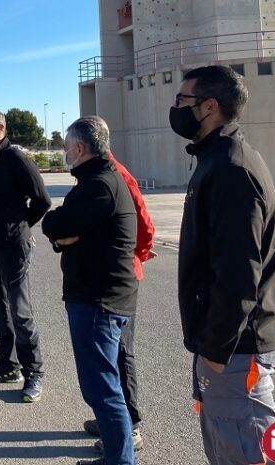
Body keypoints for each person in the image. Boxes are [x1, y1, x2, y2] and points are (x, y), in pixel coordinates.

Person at [171, 65, 275, 465]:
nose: (175, 109)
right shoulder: (214, 160)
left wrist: (217, 350)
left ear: (209, 106)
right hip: (223, 347)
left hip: (236, 350)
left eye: (182, 101)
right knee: (226, 449)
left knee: (244, 452)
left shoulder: (231, 169)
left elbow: (239, 274)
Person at [42, 116, 138, 465]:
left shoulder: (97, 185)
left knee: (103, 391)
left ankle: (120, 460)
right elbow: (62, 231)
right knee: (105, 388)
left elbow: (55, 223)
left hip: (99, 301)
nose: (65, 153)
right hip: (106, 297)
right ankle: (117, 456)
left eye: (66, 147)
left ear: (79, 148)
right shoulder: (103, 179)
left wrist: (64, 233)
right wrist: (65, 237)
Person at [84, 117, 156, 454]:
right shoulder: (100, 173)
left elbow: (144, 221)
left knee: (120, 352)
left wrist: (135, 255)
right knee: (107, 353)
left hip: (121, 277)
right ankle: (110, 418)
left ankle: (131, 426)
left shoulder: (116, 174)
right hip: (109, 274)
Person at [0, 109, 50, 403]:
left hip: (13, 247)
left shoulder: (17, 160)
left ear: (0, 128)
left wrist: (23, 227)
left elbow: (42, 200)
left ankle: (34, 373)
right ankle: (7, 364)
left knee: (20, 311)